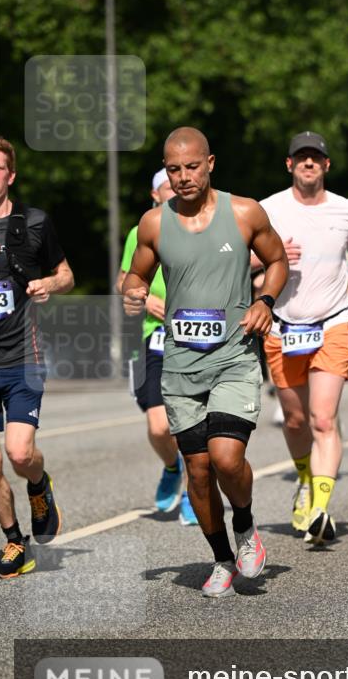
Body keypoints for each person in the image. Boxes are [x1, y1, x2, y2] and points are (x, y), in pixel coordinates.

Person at [122, 128, 288, 597]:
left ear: (210, 163)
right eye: (174, 169)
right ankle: (221, 559)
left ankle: (246, 525)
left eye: (192, 166)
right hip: (180, 363)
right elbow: (135, 275)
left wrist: (266, 301)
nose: (183, 177)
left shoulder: (244, 212)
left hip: (234, 355)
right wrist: (133, 292)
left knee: (226, 458)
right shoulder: (154, 223)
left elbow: (277, 261)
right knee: (197, 469)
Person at [259, 131, 348, 544]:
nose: (309, 163)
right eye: (301, 157)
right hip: (282, 325)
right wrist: (269, 256)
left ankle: (321, 509)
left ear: (326, 165)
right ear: (289, 164)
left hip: (333, 323)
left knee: (323, 419)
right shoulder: (267, 209)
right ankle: (305, 480)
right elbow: (240, 258)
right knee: (295, 420)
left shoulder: (347, 210)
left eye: (316, 157)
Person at [0, 135, 74, 578]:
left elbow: (66, 275)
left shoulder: (34, 223)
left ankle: (39, 486)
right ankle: (14, 541)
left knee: (20, 454)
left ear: (11, 175)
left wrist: (49, 284)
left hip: (23, 357)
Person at [116, 169, 197, 525]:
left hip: (195, 335)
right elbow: (123, 280)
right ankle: (172, 466)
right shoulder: (141, 231)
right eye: (167, 185)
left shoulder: (201, 227)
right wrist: (145, 298)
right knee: (159, 427)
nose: (176, 188)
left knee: (192, 422)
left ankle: (195, 493)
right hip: (154, 337)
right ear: (155, 195)